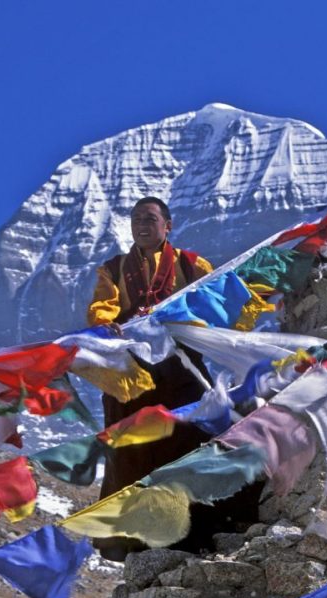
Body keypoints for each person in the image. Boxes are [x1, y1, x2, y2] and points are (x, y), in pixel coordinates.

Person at [86, 197, 259, 560]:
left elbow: (218, 299)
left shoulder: (191, 265)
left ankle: (202, 529)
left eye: (149, 219)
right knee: (132, 453)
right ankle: (138, 541)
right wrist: (108, 325)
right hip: (132, 379)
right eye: (135, 220)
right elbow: (104, 309)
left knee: (191, 442)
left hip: (180, 371)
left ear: (168, 225)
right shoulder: (114, 269)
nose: (141, 226)